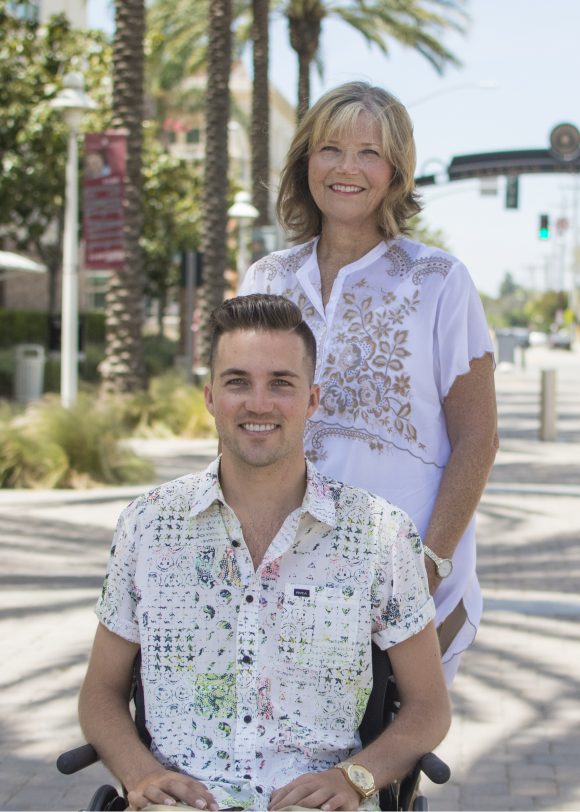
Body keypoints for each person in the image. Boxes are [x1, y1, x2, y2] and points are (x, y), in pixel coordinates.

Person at [78, 294, 450, 812]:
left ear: (312, 399)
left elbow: (429, 709)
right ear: (210, 396)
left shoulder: (379, 535)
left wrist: (357, 777)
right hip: (181, 803)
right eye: (237, 382)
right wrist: (140, 774)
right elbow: (99, 695)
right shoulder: (147, 526)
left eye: (281, 383)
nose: (258, 403)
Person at [239, 82, 499, 685]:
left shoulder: (439, 281)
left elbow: (478, 439)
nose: (347, 168)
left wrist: (425, 569)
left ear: (396, 173)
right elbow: (240, 424)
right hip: (282, 571)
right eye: (331, 148)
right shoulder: (266, 278)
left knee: (382, 762)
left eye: (369, 153)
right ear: (306, 161)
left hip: (402, 576)